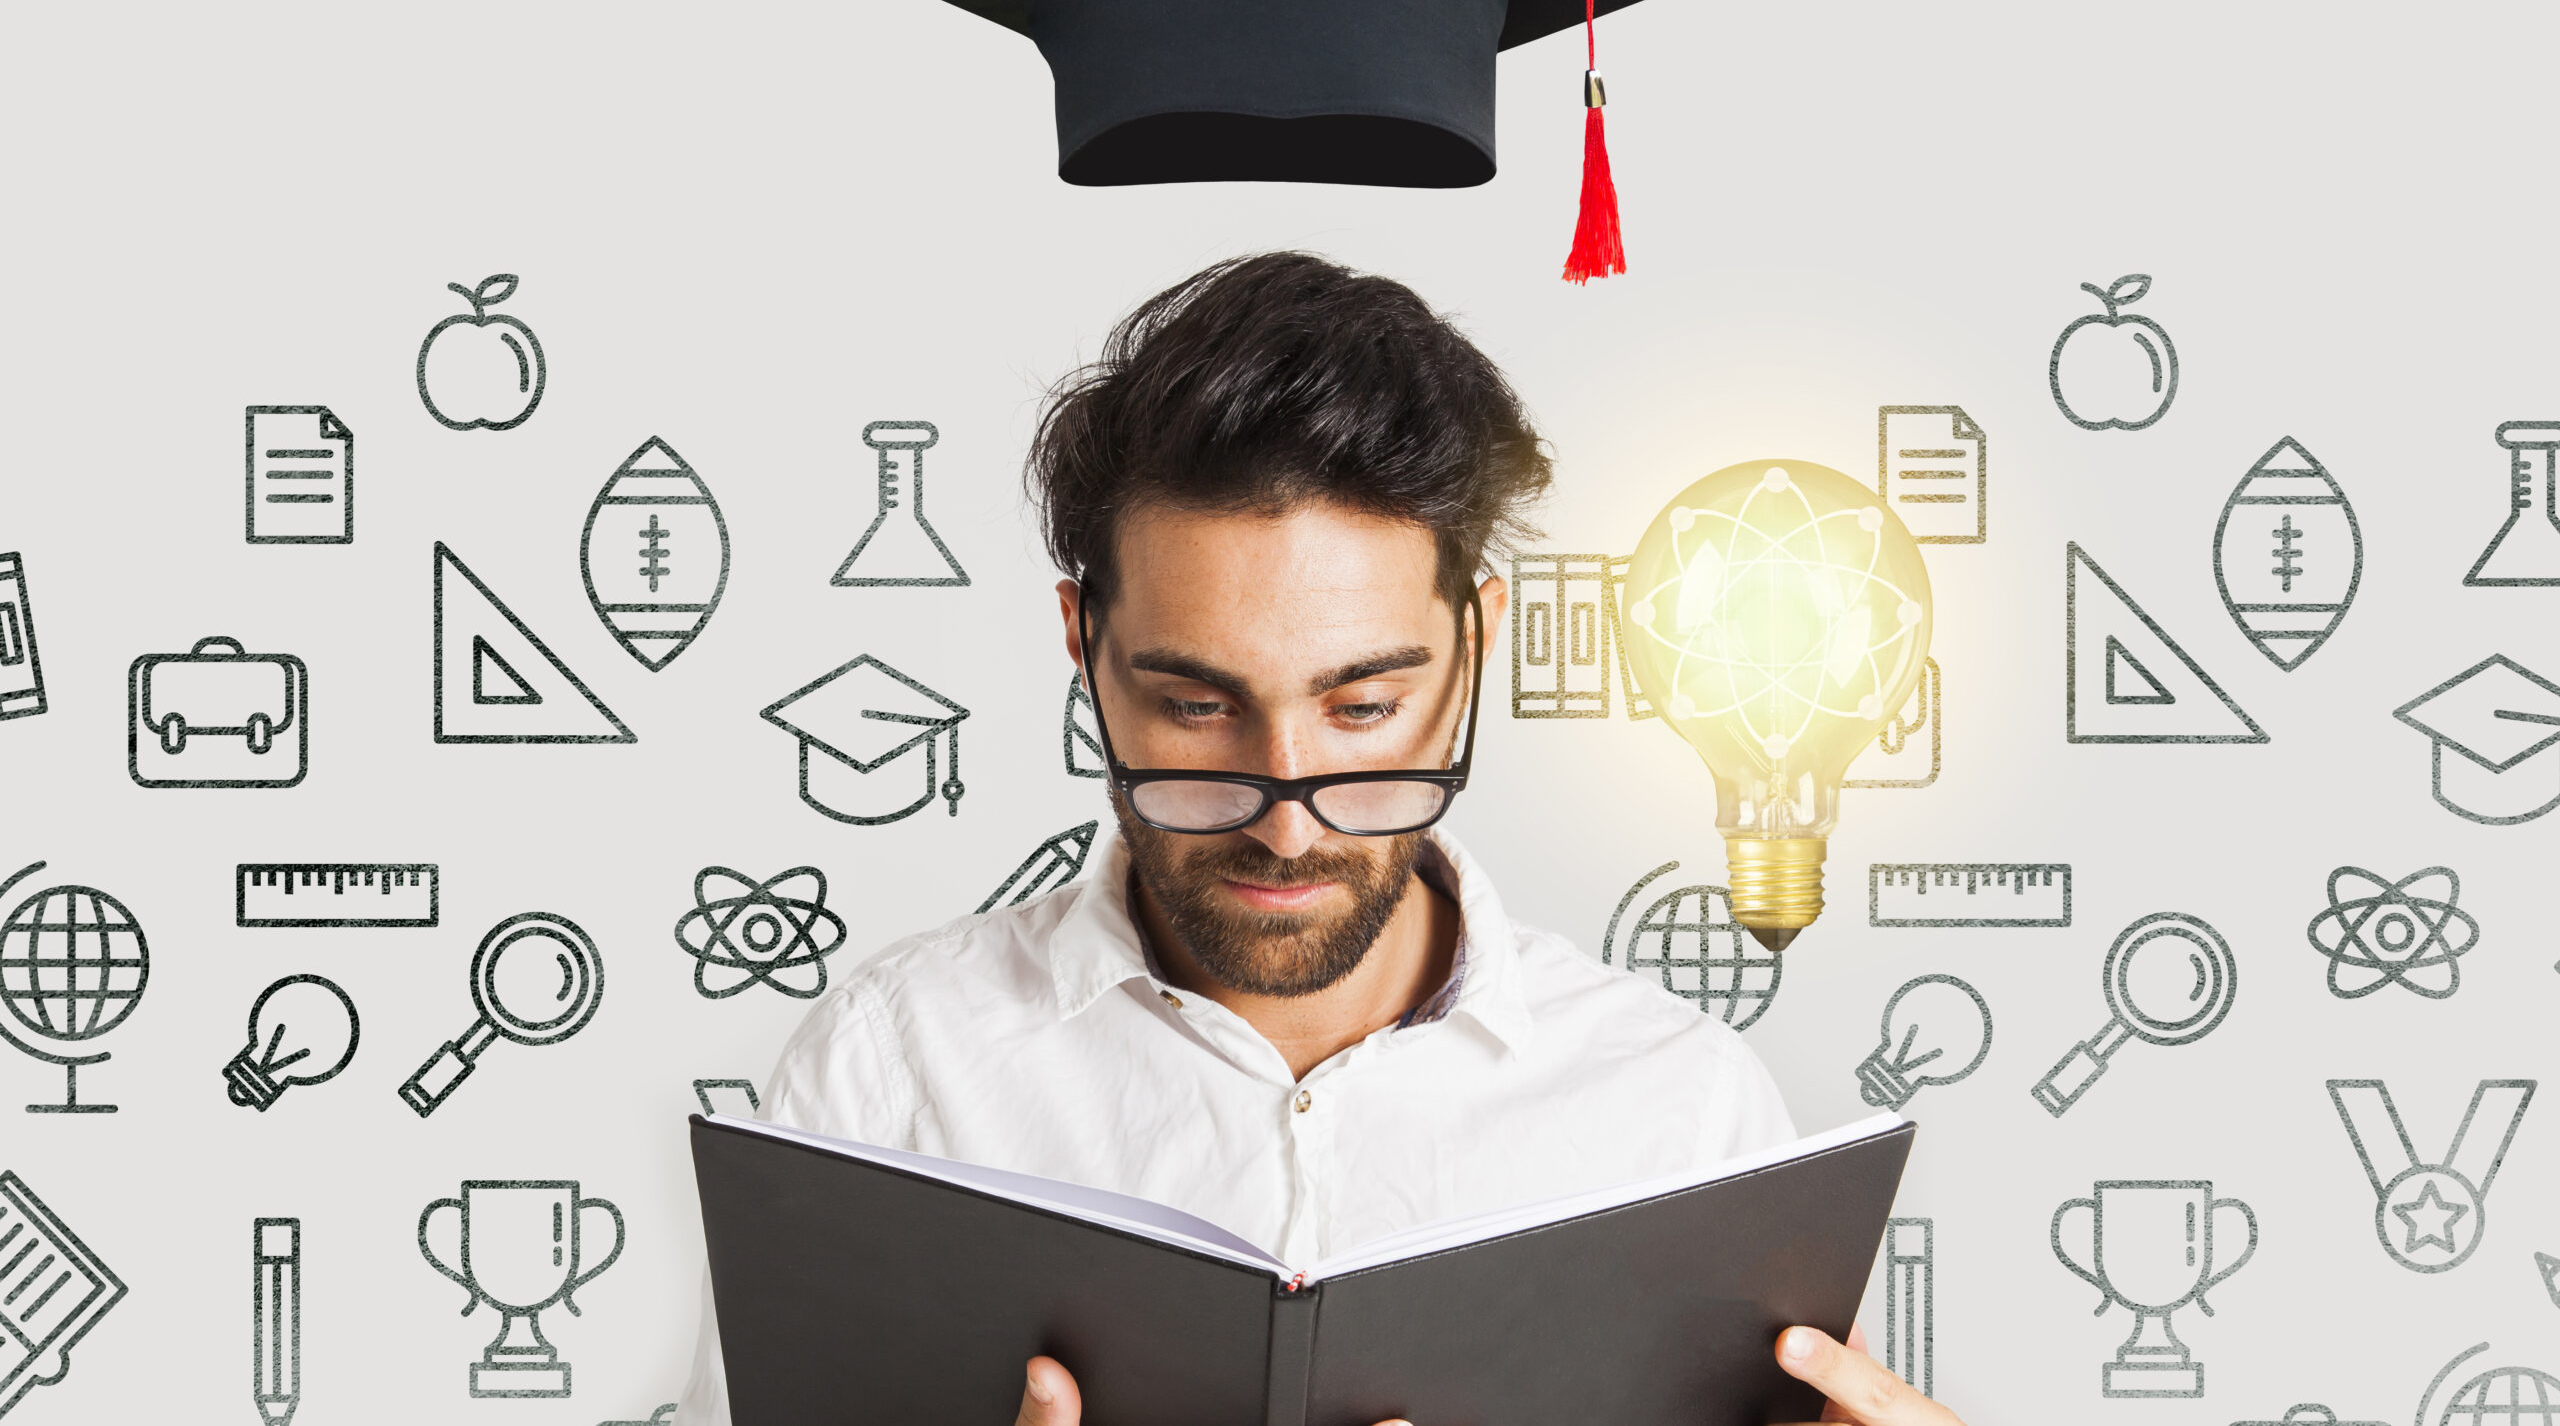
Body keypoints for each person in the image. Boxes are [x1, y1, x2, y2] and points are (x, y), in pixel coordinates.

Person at [680, 253, 1965, 1426]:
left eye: (1362, 708)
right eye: (1196, 706)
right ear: (1082, 645)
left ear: (1474, 647)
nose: (1288, 814)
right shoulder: (892, 1078)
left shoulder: (1679, 1118)